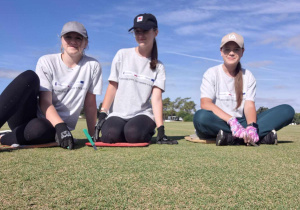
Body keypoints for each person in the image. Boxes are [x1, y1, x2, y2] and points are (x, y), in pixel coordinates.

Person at [0, 21, 102, 149]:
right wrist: (60, 126)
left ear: (86, 43)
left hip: (45, 128)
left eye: (78, 38)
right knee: (29, 77)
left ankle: (4, 137)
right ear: (62, 40)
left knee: (40, 129)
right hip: (30, 117)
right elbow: (45, 101)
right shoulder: (46, 61)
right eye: (68, 37)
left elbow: (90, 104)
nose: (73, 41)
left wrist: (92, 136)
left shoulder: (93, 66)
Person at [193, 32, 294, 146]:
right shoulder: (211, 73)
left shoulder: (248, 75)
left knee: (287, 110)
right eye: (227, 49)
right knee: (200, 117)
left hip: (242, 122)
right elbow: (205, 103)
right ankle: (256, 138)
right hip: (221, 121)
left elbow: (249, 105)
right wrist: (231, 120)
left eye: (236, 49)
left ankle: (232, 138)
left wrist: (251, 126)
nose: (231, 53)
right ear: (221, 51)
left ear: (242, 52)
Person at [93, 13, 177, 145]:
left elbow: (156, 99)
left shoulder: (159, 66)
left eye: (145, 31)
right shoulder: (122, 54)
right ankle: (121, 130)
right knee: (110, 136)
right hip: (118, 113)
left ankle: (146, 130)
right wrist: (103, 113)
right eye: (137, 32)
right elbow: (112, 86)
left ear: (156, 32)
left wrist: (161, 130)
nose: (140, 35)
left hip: (142, 114)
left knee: (134, 134)